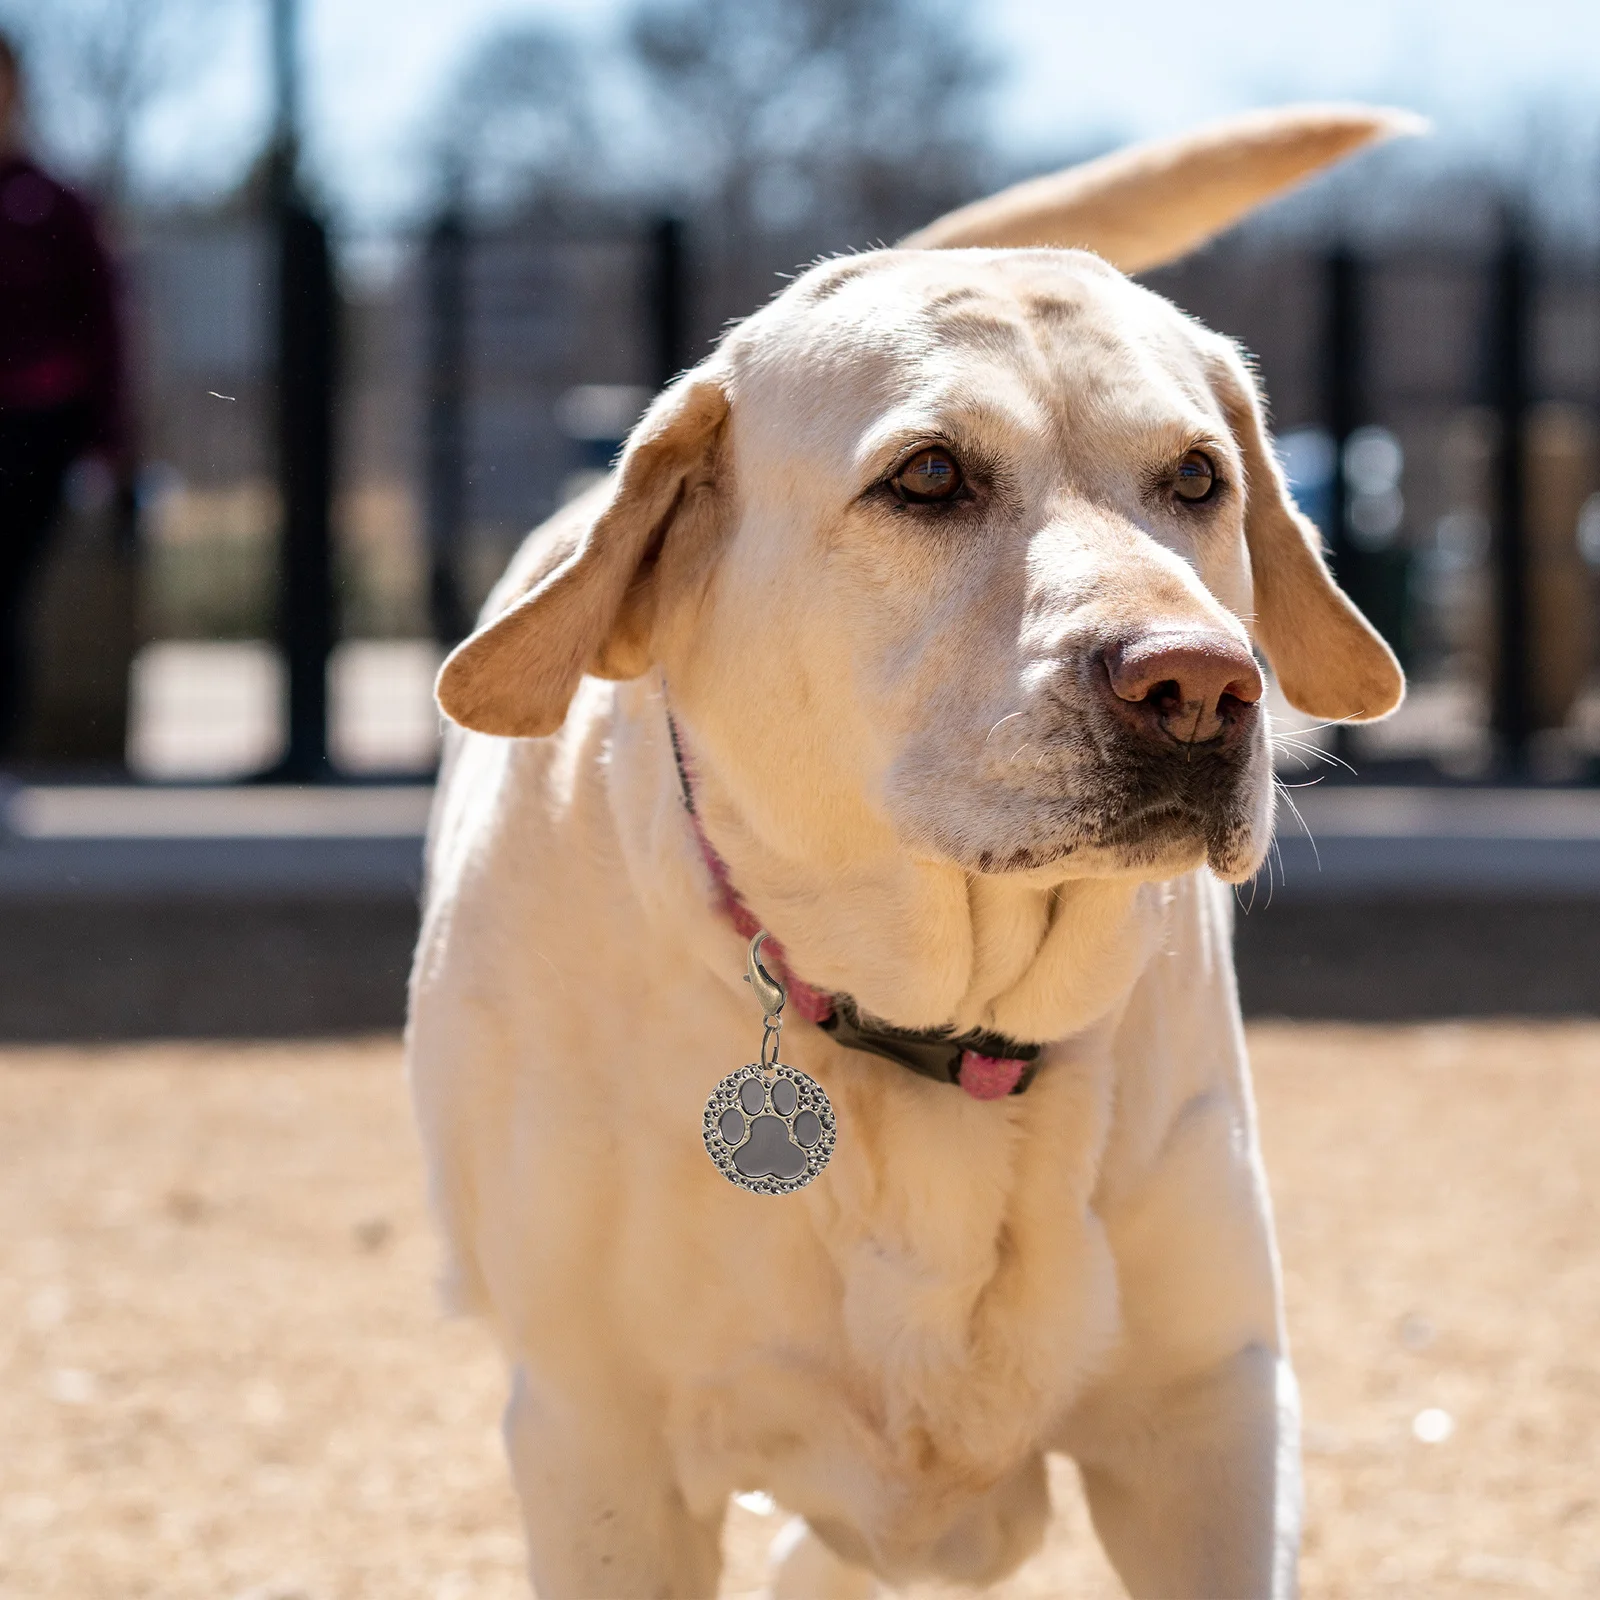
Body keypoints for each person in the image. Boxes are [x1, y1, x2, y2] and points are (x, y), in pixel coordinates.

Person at [0, 31, 127, 757]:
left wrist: (104, 445)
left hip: (30, 430)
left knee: (3, 598)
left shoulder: (51, 205)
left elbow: (105, 330)